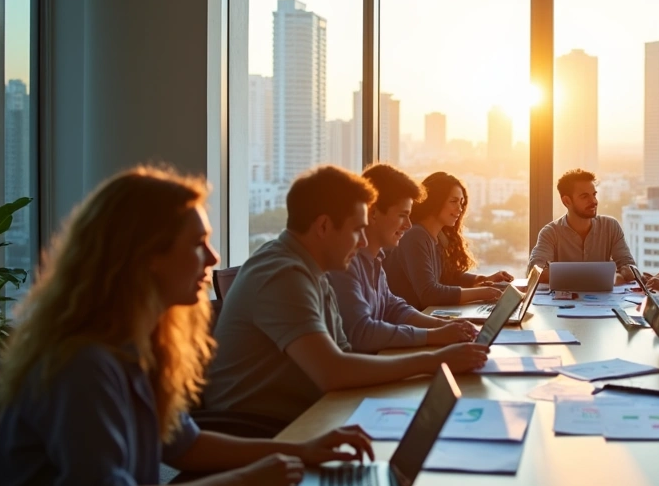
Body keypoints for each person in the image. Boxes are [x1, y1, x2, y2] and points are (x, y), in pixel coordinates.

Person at [0, 166, 376, 486]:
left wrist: (303, 449)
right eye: (197, 243)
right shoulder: (83, 363)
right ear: (147, 256)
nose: (214, 257)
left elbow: (186, 446)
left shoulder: (139, 345)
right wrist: (243, 482)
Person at [203, 166, 488, 424]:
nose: (363, 242)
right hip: (258, 426)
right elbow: (334, 370)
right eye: (357, 230)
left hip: (307, 410)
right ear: (324, 226)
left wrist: (437, 340)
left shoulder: (313, 267)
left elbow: (346, 351)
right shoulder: (284, 274)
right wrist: (434, 360)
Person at [329, 164, 479, 353]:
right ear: (373, 212)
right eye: (402, 216)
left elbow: (394, 308)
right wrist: (432, 336)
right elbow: (362, 333)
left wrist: (442, 326)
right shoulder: (346, 262)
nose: (408, 225)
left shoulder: (375, 260)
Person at [384, 172, 513, 309]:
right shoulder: (415, 235)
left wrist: (483, 280)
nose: (460, 208)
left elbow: (447, 277)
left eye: (461, 202)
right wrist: (483, 294)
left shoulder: (437, 237)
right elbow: (429, 294)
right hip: (408, 323)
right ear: (435, 201)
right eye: (453, 201)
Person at [529, 168, 637, 283]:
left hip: (603, 300)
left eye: (594, 194)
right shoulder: (550, 233)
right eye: (585, 196)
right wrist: (599, 277)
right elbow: (535, 271)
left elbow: (628, 264)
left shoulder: (610, 226)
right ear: (567, 201)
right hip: (564, 300)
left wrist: (628, 271)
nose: (594, 201)